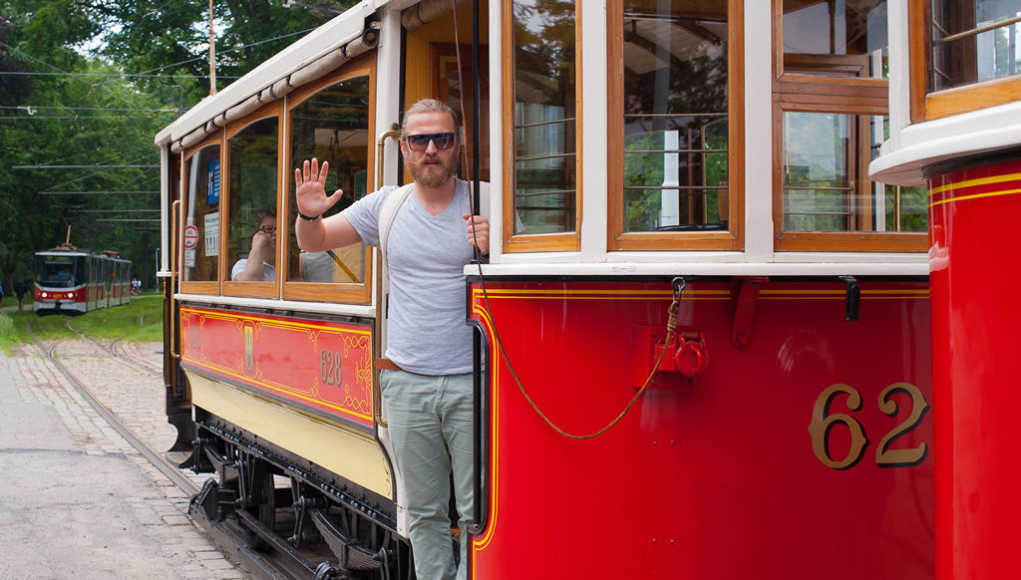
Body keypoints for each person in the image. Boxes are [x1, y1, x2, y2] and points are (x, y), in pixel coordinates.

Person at [294, 98, 488, 580]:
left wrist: (495, 247)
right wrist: (308, 215)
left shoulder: (488, 201)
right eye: (419, 140)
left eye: (441, 139)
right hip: (406, 384)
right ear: (403, 148)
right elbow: (313, 243)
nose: (430, 149)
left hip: (475, 382)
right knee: (422, 513)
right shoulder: (388, 204)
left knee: (476, 515)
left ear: (457, 145)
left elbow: (532, 275)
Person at [231, 210, 277, 281]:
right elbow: (250, 282)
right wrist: (258, 244)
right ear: (257, 234)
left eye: (279, 229)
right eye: (269, 229)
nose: (276, 233)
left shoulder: (285, 268)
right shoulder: (242, 265)